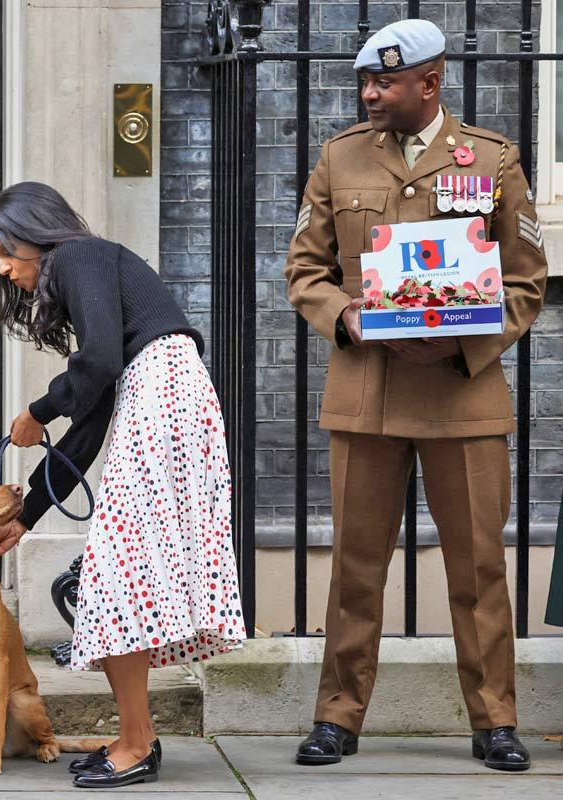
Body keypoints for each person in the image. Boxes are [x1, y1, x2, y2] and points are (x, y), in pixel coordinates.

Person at [284, 19, 547, 770]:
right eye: (366, 81)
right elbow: (305, 270)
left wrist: (464, 339)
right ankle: (338, 718)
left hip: (462, 394)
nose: (369, 93)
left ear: (428, 84)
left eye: (385, 82)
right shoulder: (338, 158)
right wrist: (349, 320)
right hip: (366, 390)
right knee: (356, 565)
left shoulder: (490, 160)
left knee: (478, 568)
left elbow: (527, 278)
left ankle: (494, 721)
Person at [0, 181, 246, 789]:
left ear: (34, 235)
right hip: (163, 402)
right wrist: (25, 518)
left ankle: (137, 742)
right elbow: (90, 422)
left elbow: (94, 366)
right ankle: (134, 737)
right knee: (125, 580)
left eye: (4, 252)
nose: (3, 267)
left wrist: (38, 410)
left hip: (163, 403)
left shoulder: (80, 257)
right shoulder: (93, 274)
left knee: (120, 577)